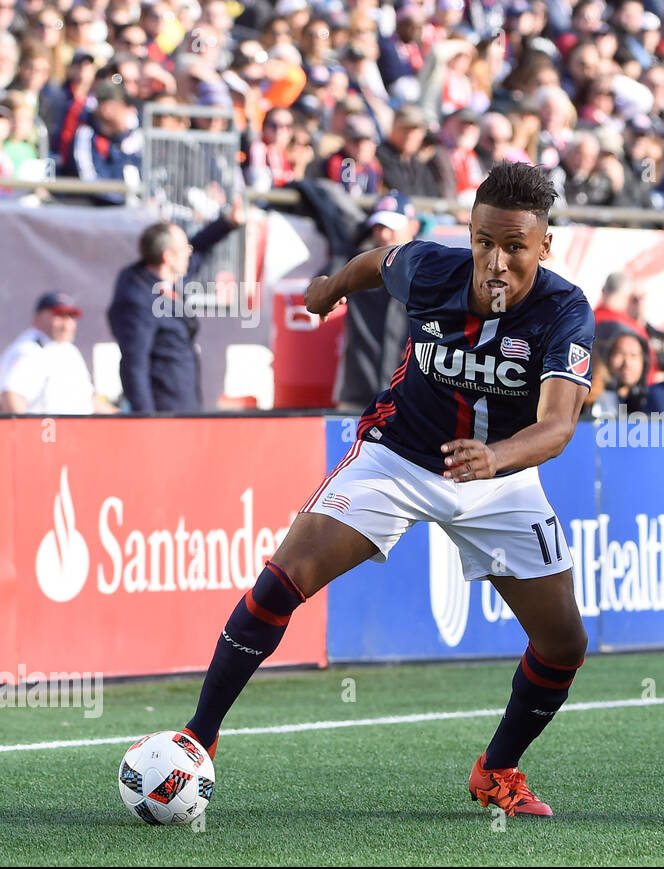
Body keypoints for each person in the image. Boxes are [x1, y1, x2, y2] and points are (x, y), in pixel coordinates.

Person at [178, 163, 595, 819]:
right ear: (471, 232)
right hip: (397, 457)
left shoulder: (564, 310)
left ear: (544, 247)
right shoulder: (432, 268)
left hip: (501, 478)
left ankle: (497, 770)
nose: (495, 261)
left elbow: (558, 425)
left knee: (565, 642)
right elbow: (377, 262)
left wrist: (496, 457)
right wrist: (329, 289)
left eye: (515, 247)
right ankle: (196, 739)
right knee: (282, 580)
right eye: (485, 241)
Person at [108, 204, 246, 413]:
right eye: (184, 249)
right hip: (163, 408)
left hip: (183, 404)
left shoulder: (166, 280)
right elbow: (134, 364)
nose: (189, 253)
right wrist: (147, 420)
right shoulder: (137, 298)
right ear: (167, 257)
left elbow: (199, 248)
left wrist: (226, 223)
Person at [334, 192, 422, 411]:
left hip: (411, 400)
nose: (383, 235)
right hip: (358, 397)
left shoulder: (430, 273)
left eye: (391, 226)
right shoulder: (356, 265)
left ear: (413, 226)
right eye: (378, 227)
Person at [0, 292, 114, 415]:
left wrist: (123, 419)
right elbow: (11, 397)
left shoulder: (69, 350)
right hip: (47, 432)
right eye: (59, 316)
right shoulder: (29, 350)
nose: (67, 324)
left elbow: (87, 402)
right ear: (38, 318)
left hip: (77, 431)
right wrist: (28, 433)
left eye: (71, 317)